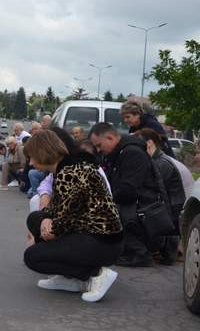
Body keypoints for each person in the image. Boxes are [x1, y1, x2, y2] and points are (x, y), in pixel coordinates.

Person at [23, 130, 123, 303]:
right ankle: (72, 279)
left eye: (32, 157)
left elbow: (63, 222)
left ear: (43, 153)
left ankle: (96, 274)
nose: (31, 163)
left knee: (32, 257)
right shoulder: (67, 168)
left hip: (101, 241)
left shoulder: (70, 173)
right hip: (89, 233)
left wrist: (46, 232)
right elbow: (57, 210)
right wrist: (45, 220)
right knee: (35, 219)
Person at [90, 122, 163, 267]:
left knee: (105, 209)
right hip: (137, 205)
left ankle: (139, 253)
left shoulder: (132, 153)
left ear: (110, 138)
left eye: (99, 145)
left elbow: (129, 190)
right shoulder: (121, 152)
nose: (98, 150)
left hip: (144, 208)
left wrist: (103, 200)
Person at [134, 128, 187, 265]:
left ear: (149, 143)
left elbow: (160, 193)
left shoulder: (162, 162)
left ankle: (166, 251)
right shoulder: (158, 160)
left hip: (171, 207)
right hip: (170, 205)